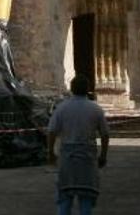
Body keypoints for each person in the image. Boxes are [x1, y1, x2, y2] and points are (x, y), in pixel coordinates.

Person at [47, 75, 110, 215]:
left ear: (71, 89)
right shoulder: (95, 109)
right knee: (86, 200)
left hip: (67, 158)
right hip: (87, 157)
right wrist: (103, 156)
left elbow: (51, 132)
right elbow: (105, 134)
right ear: (87, 90)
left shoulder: (62, 108)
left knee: (64, 199)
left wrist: (50, 152)